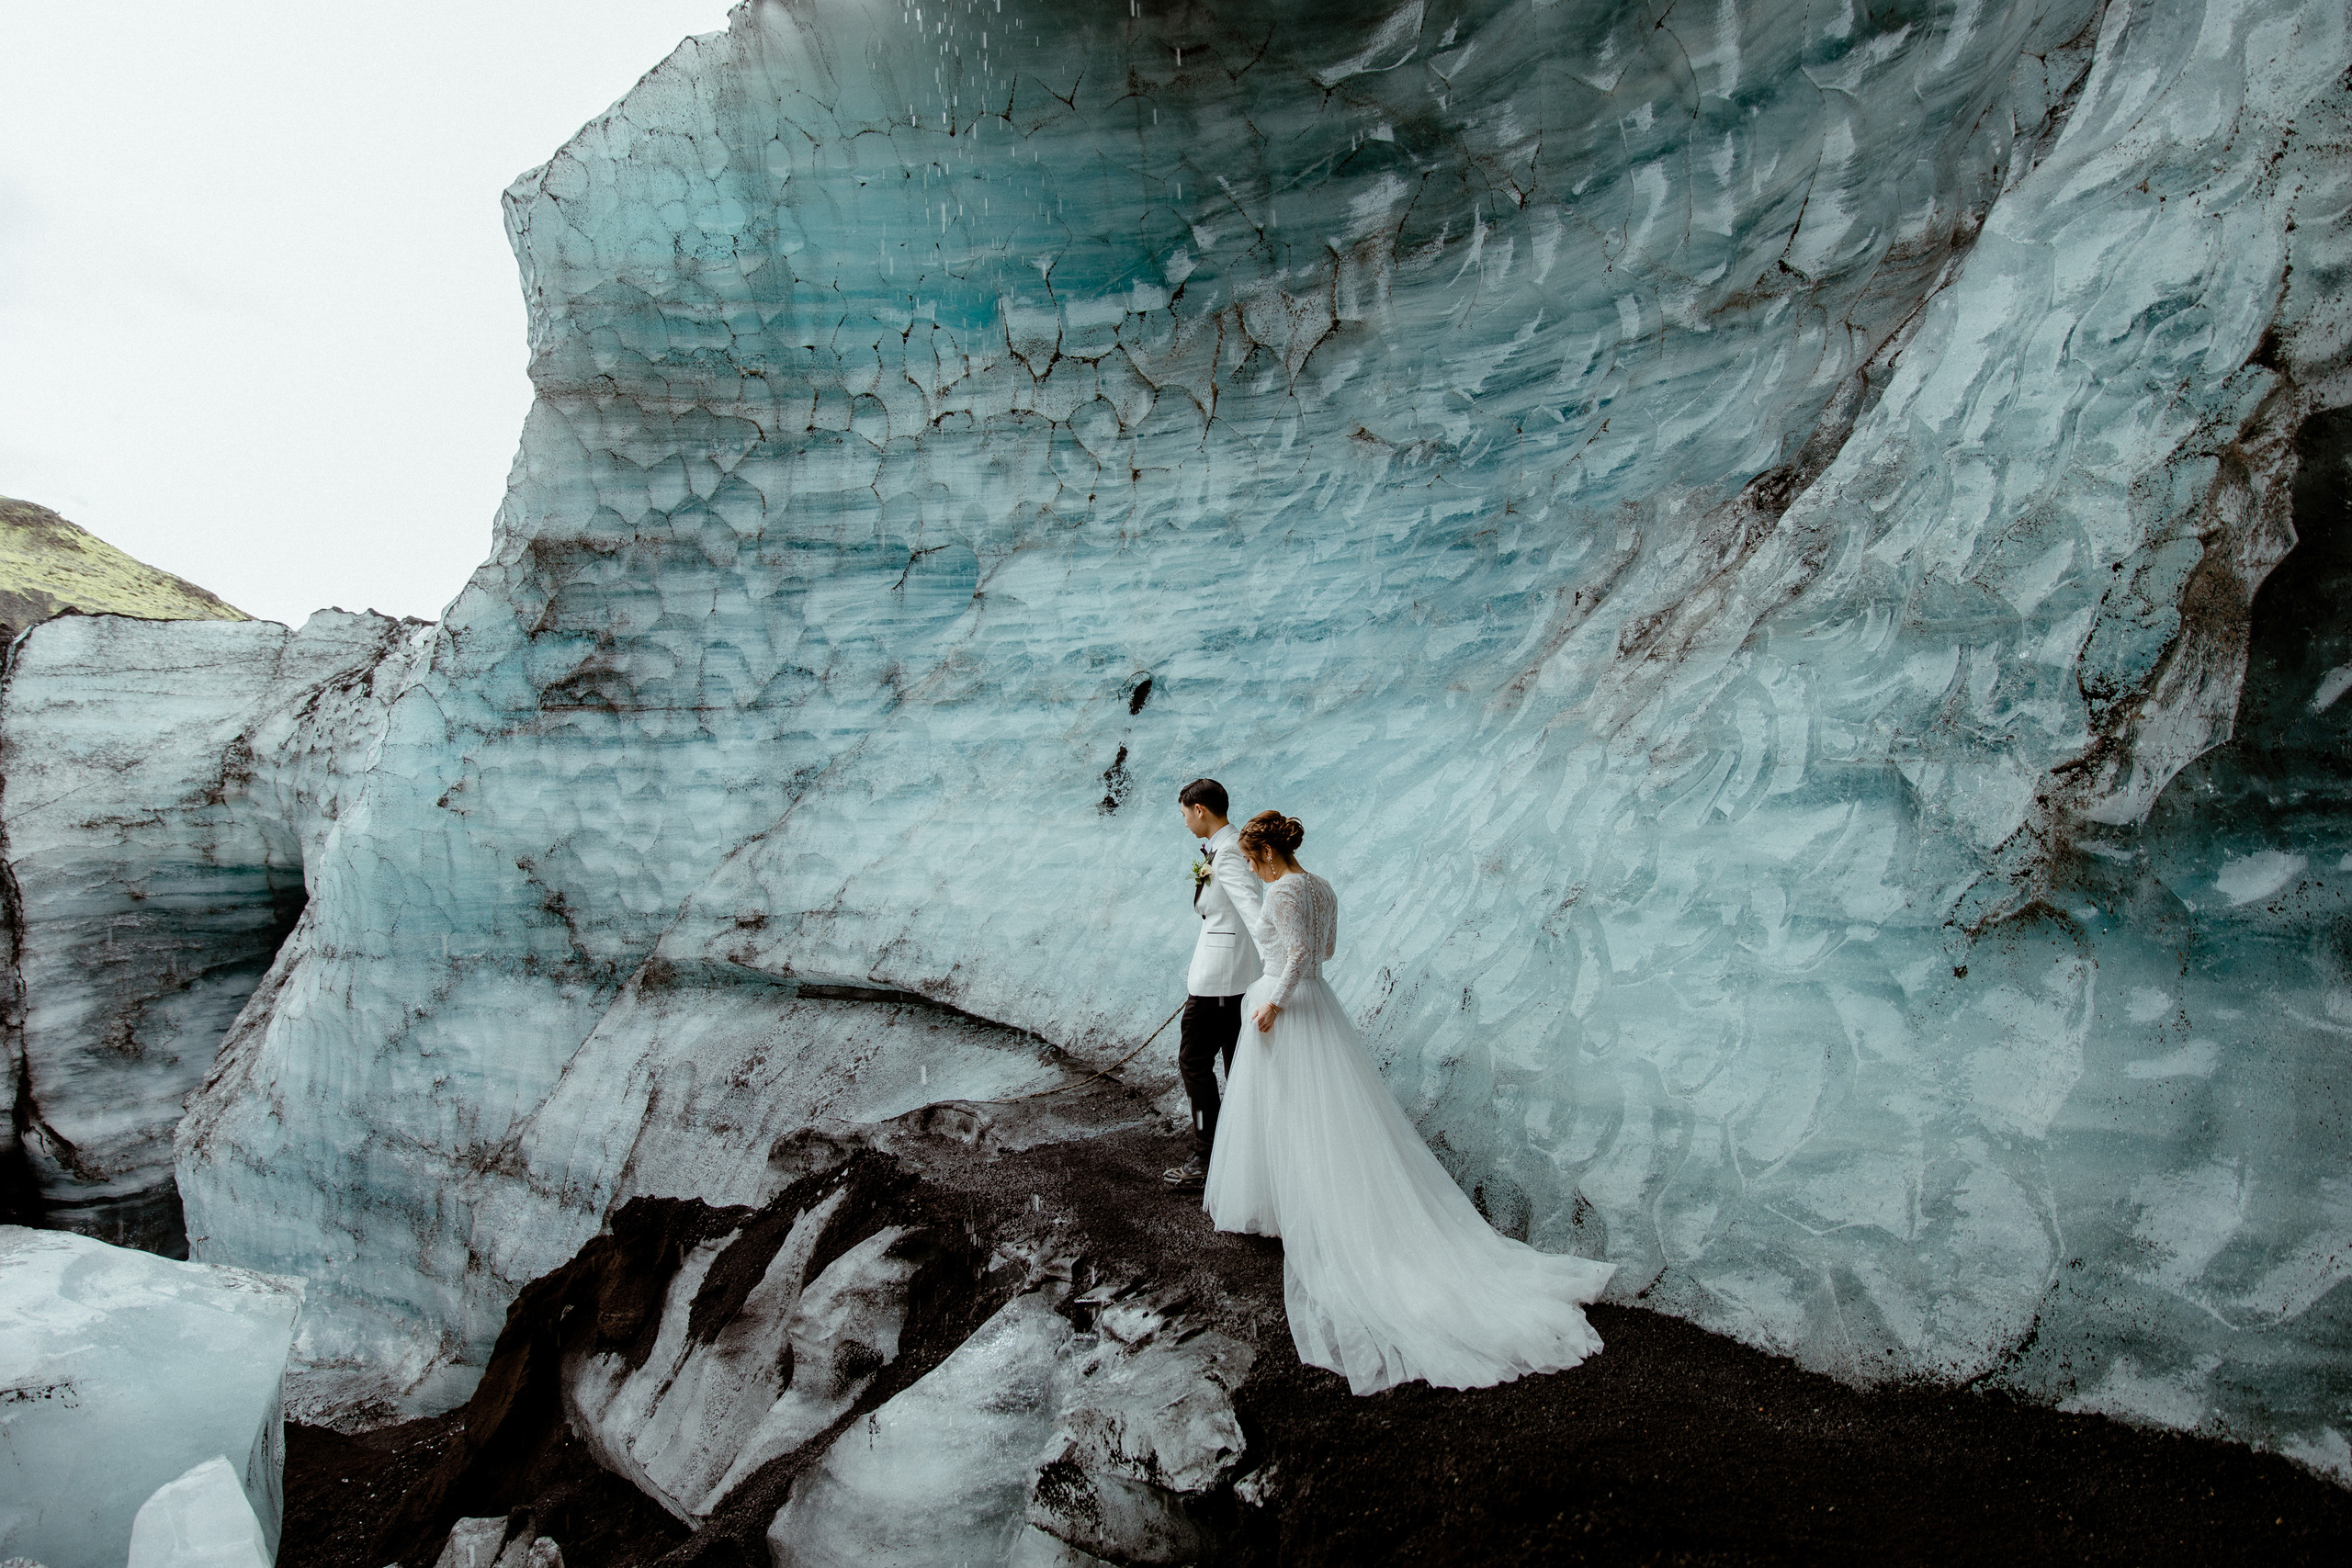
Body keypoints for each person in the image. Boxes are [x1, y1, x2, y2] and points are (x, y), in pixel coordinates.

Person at [1203, 810, 1617, 1394]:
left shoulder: (1287, 888)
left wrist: (1273, 1002)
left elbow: (1297, 954)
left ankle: (1311, 1212)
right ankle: (1295, 1204)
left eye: (1250, 859)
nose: (1249, 867)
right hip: (1320, 1005)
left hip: (1289, 1006)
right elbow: (1329, 947)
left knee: (1296, 1113)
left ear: (1266, 854)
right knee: (1320, 1113)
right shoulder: (1321, 885)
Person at [1164, 779, 1266, 1190]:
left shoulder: (1226, 855)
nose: (1185, 821)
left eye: (1185, 813)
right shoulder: (1232, 848)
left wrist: (1275, 966)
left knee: (1193, 1063)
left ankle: (1208, 1155)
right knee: (1233, 1066)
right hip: (1234, 978)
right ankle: (1236, 1153)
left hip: (1218, 983)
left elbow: (1255, 913)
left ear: (1200, 809)